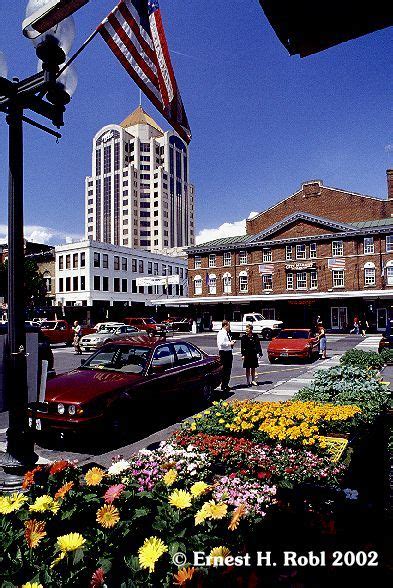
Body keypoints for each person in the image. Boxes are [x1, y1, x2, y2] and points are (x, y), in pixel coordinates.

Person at [217, 319, 235, 392]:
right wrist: (230, 343)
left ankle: (225, 384)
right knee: (225, 370)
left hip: (228, 352)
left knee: (228, 370)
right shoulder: (221, 333)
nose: (229, 327)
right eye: (229, 325)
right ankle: (223, 385)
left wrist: (231, 342)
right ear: (225, 325)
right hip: (224, 353)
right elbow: (221, 343)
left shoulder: (227, 333)